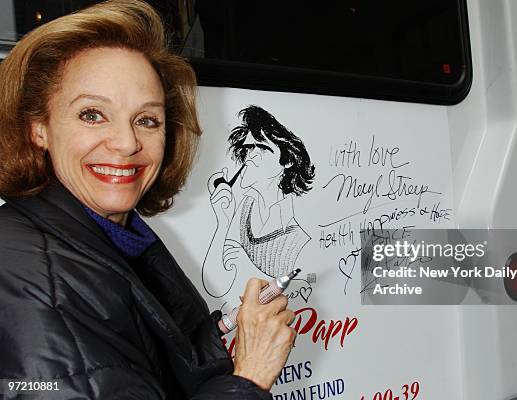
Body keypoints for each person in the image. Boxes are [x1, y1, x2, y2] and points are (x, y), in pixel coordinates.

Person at [0, 1, 295, 399]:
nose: (126, 143)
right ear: (39, 128)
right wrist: (251, 375)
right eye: (92, 114)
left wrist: (214, 334)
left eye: (146, 120)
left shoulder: (106, 235)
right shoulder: (33, 275)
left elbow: (125, 365)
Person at [202, 106, 316, 307]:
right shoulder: (245, 206)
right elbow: (214, 286)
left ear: (287, 159)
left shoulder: (299, 241)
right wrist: (223, 222)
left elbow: (309, 289)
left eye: (262, 148)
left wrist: (248, 271)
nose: (250, 157)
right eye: (248, 148)